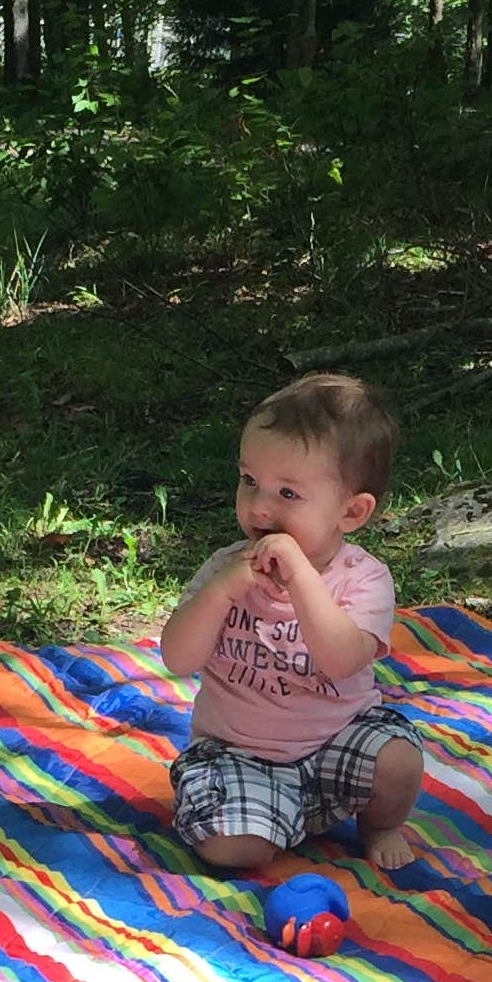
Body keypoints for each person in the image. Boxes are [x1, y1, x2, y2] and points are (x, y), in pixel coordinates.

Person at [158, 370, 424, 875]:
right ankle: (262, 817)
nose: (259, 507)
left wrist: (302, 576)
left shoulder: (363, 579)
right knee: (236, 851)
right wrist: (220, 592)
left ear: (351, 512)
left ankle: (378, 825)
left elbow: (342, 660)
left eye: (288, 494)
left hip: (335, 742)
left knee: (399, 761)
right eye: (250, 481)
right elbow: (177, 658)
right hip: (236, 752)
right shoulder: (226, 568)